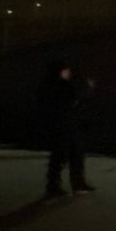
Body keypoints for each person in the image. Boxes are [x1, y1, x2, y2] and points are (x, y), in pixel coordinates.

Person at [39, 60, 94, 197]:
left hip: (69, 124)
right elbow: (74, 97)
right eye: (66, 70)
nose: (69, 73)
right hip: (63, 124)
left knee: (75, 154)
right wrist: (87, 88)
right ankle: (55, 186)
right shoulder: (59, 86)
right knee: (60, 155)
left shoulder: (59, 85)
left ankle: (76, 183)